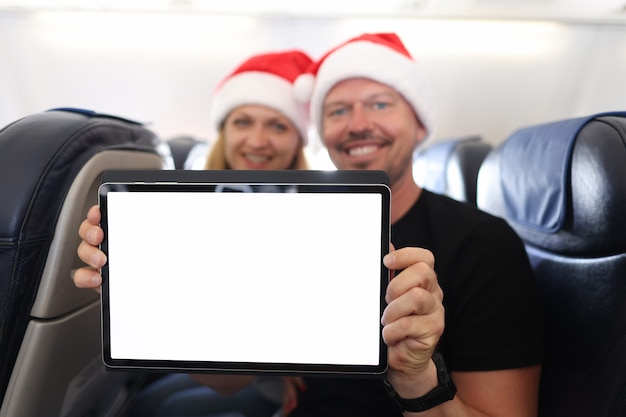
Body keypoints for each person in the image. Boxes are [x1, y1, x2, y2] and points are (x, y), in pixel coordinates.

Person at [76, 32, 544, 417]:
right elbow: (230, 379)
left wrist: (417, 376)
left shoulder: (483, 244)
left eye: (380, 104)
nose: (358, 124)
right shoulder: (295, 231)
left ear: (420, 125)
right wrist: (142, 300)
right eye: (338, 111)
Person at [76, 49, 313, 417]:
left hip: (278, 371)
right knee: (144, 398)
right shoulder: (193, 202)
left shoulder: (313, 212)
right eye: (243, 122)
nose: (257, 140)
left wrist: (290, 364)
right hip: (214, 349)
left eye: (278, 126)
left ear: (298, 140)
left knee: (167, 408)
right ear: (224, 132)